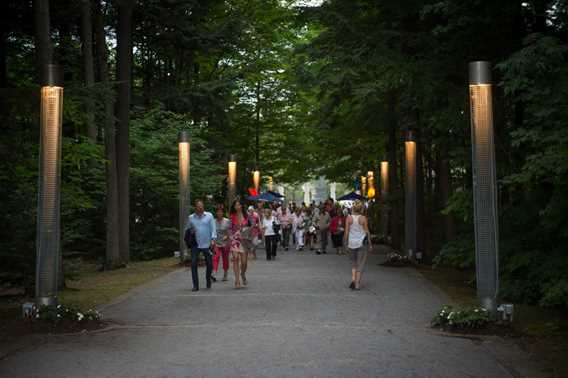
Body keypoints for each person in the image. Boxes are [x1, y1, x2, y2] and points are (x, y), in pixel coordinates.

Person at [186, 199, 216, 292]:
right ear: (195, 207)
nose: (200, 207)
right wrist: (191, 231)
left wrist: (213, 239)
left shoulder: (209, 216)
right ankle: (195, 285)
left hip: (207, 244)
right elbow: (187, 230)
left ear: (203, 206)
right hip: (196, 244)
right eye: (198, 206)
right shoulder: (191, 217)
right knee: (193, 263)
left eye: (201, 206)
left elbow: (213, 229)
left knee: (210, 264)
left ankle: (208, 280)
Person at [344, 201, 372, 291]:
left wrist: (345, 242)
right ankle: (357, 284)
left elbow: (346, 232)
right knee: (360, 264)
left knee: (353, 264)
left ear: (353, 208)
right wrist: (370, 244)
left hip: (351, 243)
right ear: (361, 209)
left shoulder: (349, 218)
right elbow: (367, 232)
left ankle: (353, 280)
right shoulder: (363, 218)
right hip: (361, 244)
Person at [229, 200, 249, 289]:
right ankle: (237, 281)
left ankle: (243, 274)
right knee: (235, 259)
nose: (237, 206)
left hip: (244, 240)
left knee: (244, 262)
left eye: (238, 205)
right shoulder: (232, 217)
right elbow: (229, 229)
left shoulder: (246, 216)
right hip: (235, 240)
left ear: (241, 206)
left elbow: (251, 227)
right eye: (235, 205)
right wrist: (229, 236)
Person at [212, 205, 231, 282]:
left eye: (221, 212)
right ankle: (214, 273)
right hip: (216, 243)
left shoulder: (227, 221)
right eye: (218, 212)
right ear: (216, 213)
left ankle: (225, 273)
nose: (219, 213)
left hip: (225, 243)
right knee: (215, 258)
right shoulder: (213, 221)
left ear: (223, 213)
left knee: (225, 259)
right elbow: (212, 232)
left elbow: (230, 232)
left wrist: (227, 236)